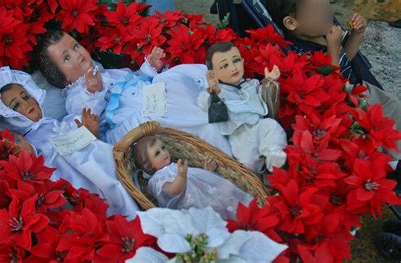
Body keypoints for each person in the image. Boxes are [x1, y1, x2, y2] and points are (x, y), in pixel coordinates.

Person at [34, 30, 232, 155]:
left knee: (173, 77)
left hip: (149, 98)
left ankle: (219, 87)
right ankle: (217, 135)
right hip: (132, 122)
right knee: (174, 112)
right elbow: (86, 114)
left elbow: (133, 78)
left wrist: (149, 68)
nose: (78, 54)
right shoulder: (75, 95)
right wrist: (94, 92)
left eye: (76, 46)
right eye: (66, 58)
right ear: (63, 79)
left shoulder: (108, 72)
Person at [0, 66, 139, 218]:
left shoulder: (64, 123)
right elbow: (41, 170)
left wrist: (91, 131)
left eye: (25, 96)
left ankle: (135, 198)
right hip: (74, 177)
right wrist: (29, 156)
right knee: (102, 195)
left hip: (97, 161)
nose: (26, 104)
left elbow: (91, 142)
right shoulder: (30, 142)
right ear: (10, 116)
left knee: (116, 177)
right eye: (16, 105)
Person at [266, 0, 401, 160]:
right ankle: (394, 160)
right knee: (374, 130)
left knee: (393, 105)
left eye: (326, 5)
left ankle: (396, 152)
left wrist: (357, 33)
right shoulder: (300, 53)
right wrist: (332, 48)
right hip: (342, 103)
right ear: (291, 22)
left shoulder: (326, 34)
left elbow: (347, 56)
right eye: (318, 10)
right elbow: (331, 83)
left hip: (359, 89)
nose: (327, 12)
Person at [198, 42, 287, 173]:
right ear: (214, 73)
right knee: (248, 161)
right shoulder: (220, 90)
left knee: (271, 127)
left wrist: (269, 81)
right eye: (224, 66)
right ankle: (255, 177)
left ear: (243, 61)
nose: (233, 67)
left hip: (258, 124)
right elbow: (204, 103)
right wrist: (213, 90)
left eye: (236, 61)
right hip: (239, 134)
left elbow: (262, 95)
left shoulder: (252, 83)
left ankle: (274, 158)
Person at [133, 135, 253, 219]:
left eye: (163, 148)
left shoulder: (175, 166)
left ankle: (244, 212)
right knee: (212, 210)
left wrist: (206, 172)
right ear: (149, 165)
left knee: (225, 190)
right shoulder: (157, 179)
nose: (164, 152)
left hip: (204, 192)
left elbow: (195, 177)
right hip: (191, 205)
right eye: (157, 153)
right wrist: (180, 176)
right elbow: (173, 190)